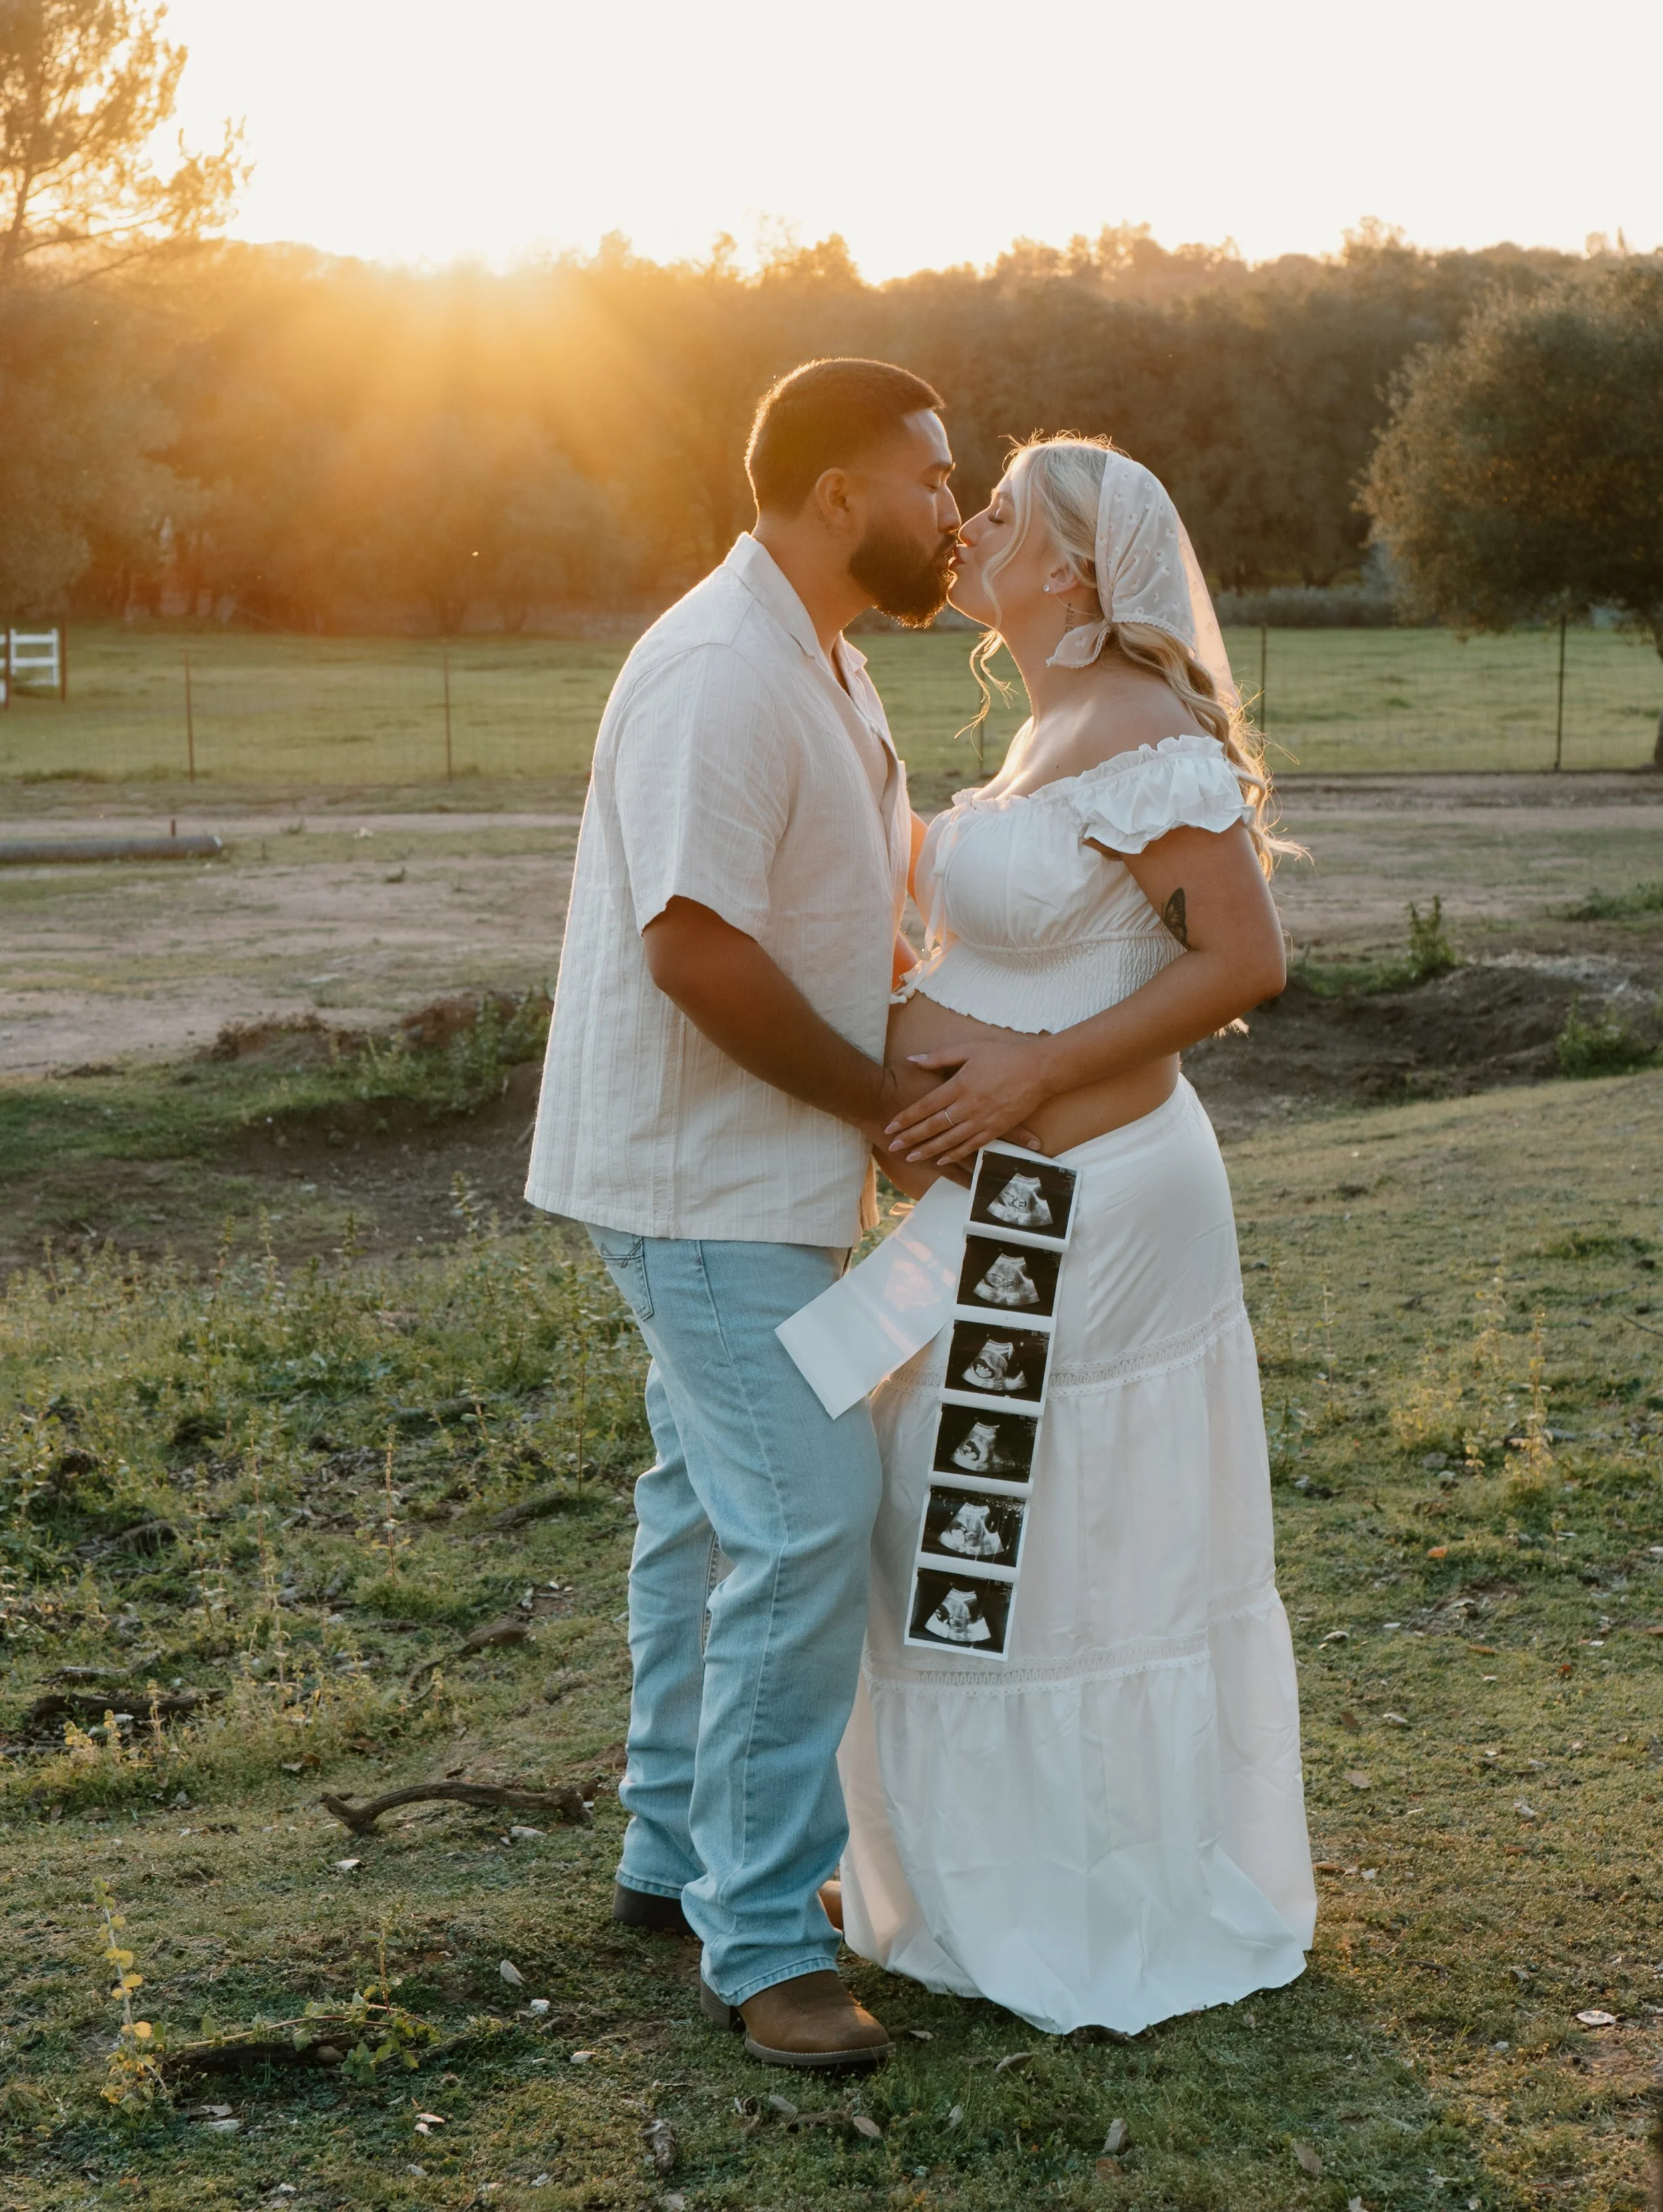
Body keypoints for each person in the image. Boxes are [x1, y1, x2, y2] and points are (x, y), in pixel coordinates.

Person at [524, 357, 996, 2074]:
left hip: (769, 1173)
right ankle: (762, 1935)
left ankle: (671, 1846)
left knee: (698, 1499)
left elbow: (836, 925)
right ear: (833, 495)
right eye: (931, 480)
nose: (955, 511)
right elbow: (694, 946)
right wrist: (885, 1103)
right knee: (806, 1506)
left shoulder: (828, 663)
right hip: (692, 1176)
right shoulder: (719, 672)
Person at [833, 437, 1318, 2038]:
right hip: (1005, 1204)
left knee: (1045, 1531)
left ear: (1073, 571)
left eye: (1001, 517)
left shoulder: (1141, 730)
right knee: (965, 1521)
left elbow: (1240, 958)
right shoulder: (1041, 725)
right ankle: (976, 1867)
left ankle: (1079, 1887)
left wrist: (1028, 1073)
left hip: (1089, 1206)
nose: (967, 530)